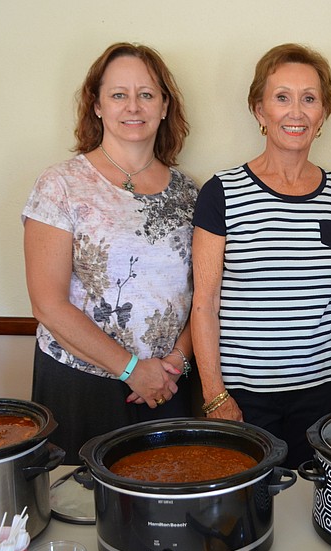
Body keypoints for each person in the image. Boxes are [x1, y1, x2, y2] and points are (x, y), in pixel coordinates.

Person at [191, 43, 331, 468]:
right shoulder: (222, 193)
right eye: (282, 97)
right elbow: (204, 303)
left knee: (315, 508)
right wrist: (216, 396)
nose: (296, 112)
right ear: (259, 110)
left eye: (309, 99)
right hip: (244, 398)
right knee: (247, 513)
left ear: (323, 114)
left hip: (323, 394)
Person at [22, 42, 198, 464]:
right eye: (118, 94)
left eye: (147, 93)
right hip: (81, 384)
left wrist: (172, 363)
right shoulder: (61, 184)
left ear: (163, 105)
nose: (133, 106)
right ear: (97, 105)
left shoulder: (192, 193)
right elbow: (47, 304)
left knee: (165, 513)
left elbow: (205, 295)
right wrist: (131, 368)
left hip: (169, 386)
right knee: (81, 512)